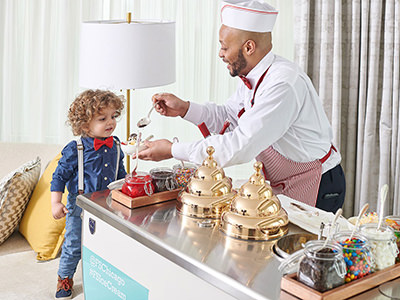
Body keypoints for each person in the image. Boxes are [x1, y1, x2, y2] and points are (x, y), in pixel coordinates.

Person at [137, 0, 345, 213]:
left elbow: (240, 145)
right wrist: (185, 109)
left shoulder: (284, 84)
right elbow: (230, 116)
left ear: (249, 47)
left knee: (299, 246)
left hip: (318, 182)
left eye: (224, 47)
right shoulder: (254, 75)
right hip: (284, 180)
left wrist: (172, 150)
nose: (220, 53)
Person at [50, 89, 127, 299]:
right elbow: (59, 177)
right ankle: (64, 278)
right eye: (102, 118)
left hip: (108, 206)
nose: (110, 122)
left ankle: (104, 279)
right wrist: (56, 202)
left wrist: (127, 187)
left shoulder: (116, 144)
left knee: (106, 244)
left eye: (113, 116)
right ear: (85, 125)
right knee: (74, 244)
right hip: (80, 206)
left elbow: (120, 173)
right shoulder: (76, 148)